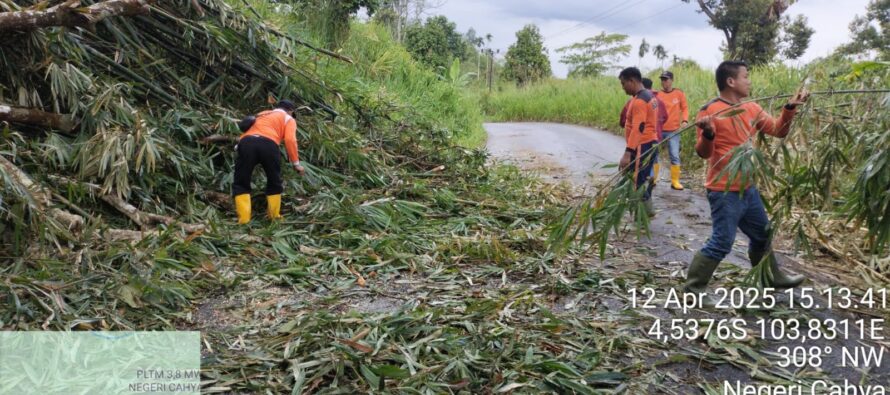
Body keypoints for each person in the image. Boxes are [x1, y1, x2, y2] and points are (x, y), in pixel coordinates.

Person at [684, 61, 809, 303]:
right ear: (731, 81)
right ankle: (693, 290)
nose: (749, 81)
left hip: (747, 188)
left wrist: (790, 107)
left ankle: (770, 277)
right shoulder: (711, 111)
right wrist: (708, 133)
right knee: (721, 242)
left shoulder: (751, 107)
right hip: (724, 191)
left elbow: (777, 130)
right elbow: (703, 153)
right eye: (746, 76)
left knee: (762, 235)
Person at [232, 100, 304, 224]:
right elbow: (290, 140)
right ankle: (274, 216)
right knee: (274, 179)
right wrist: (296, 163)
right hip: (269, 145)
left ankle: (243, 219)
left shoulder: (262, 114)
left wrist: (240, 146)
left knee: (241, 180)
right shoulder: (288, 119)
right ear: (291, 111)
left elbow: (248, 128)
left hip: (247, 142)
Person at [618, 67, 659, 217]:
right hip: (648, 143)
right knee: (642, 178)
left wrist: (628, 153)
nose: (623, 88)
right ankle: (645, 212)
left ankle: (643, 215)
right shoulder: (648, 96)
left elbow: (638, 127)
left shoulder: (640, 101)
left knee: (638, 181)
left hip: (642, 145)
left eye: (623, 84)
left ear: (632, 81)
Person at [658, 71, 689, 190]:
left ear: (671, 80)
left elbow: (685, 108)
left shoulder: (679, 93)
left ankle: (675, 181)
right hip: (659, 129)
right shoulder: (658, 94)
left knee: (674, 155)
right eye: (662, 80)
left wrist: (685, 120)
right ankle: (653, 178)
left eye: (666, 79)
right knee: (654, 154)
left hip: (674, 130)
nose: (664, 82)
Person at [641, 78, 667, 184]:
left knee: (643, 160)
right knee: (653, 158)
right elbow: (665, 116)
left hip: (644, 136)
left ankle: (647, 177)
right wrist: (659, 125)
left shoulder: (641, 100)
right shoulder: (659, 101)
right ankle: (653, 177)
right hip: (657, 135)